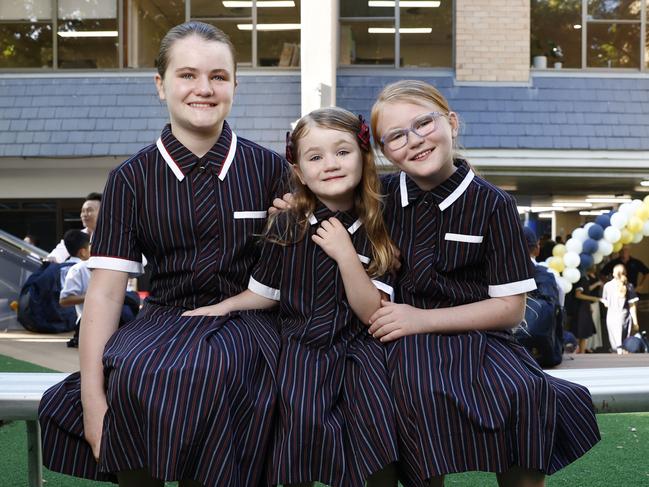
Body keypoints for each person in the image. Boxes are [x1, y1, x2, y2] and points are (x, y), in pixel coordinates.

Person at [39, 21, 288, 487]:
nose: (204, 88)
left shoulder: (270, 168)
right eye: (187, 75)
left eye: (218, 76)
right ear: (161, 85)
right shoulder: (130, 178)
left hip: (248, 320)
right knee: (129, 374)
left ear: (235, 84)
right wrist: (95, 404)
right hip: (165, 318)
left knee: (218, 372)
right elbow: (108, 295)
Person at [367, 80, 600, 487]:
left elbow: (510, 310)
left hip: (479, 337)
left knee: (527, 393)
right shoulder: (377, 197)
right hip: (399, 341)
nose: (415, 140)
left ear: (452, 123)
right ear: (385, 152)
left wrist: (420, 319)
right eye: (396, 136)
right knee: (407, 392)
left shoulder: (494, 203)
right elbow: (320, 184)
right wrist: (290, 202)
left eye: (424, 123)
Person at [185, 107, 399, 487]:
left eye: (342, 152)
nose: (330, 164)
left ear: (364, 158)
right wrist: (222, 306)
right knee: (298, 420)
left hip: (360, 348)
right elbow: (262, 293)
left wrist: (345, 253)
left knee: (372, 419)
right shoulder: (288, 222)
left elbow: (372, 312)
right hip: (302, 345)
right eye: (315, 157)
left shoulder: (379, 221)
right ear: (299, 171)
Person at [601, 264, 639, 353]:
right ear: (625, 273)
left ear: (613, 274)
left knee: (615, 345)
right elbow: (632, 306)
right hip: (624, 317)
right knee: (626, 345)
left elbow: (606, 303)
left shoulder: (607, 286)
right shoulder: (629, 286)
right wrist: (635, 322)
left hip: (611, 317)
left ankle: (616, 362)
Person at [573, 269, 603, 353]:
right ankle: (580, 352)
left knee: (584, 334)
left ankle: (582, 352)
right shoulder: (582, 278)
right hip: (580, 309)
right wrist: (593, 298)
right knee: (581, 332)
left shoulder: (585, 278)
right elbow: (578, 294)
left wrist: (589, 305)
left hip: (585, 307)